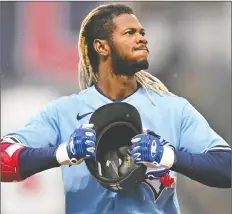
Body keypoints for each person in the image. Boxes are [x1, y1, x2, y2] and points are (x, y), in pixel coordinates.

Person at [1, 3, 231, 214]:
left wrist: (168, 156)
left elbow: (227, 167)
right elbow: (3, 160)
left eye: (142, 33)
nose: (142, 39)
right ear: (101, 47)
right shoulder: (65, 111)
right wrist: (63, 153)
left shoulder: (171, 108)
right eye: (129, 33)